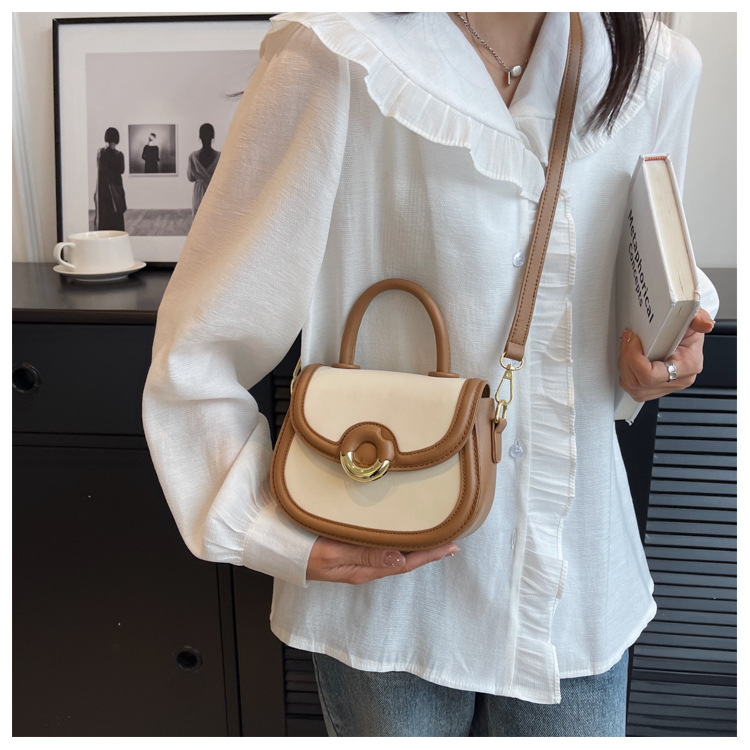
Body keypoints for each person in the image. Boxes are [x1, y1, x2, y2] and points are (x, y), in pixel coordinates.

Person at [142, 13, 720, 737]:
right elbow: (203, 341)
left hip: (573, 575)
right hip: (385, 577)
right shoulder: (339, 52)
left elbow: (649, 267)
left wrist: (664, 355)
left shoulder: (655, 69)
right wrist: (263, 525)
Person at [94, 126, 127, 231]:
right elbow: (121, 170)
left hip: (103, 190)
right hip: (115, 188)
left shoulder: (100, 153)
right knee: (116, 217)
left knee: (104, 218)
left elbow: (101, 169)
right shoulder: (119, 155)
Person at [186, 123, 221, 216]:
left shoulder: (193, 156)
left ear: (200, 137)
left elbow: (190, 177)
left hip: (199, 194)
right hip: (214, 194)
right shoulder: (220, 157)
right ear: (213, 137)